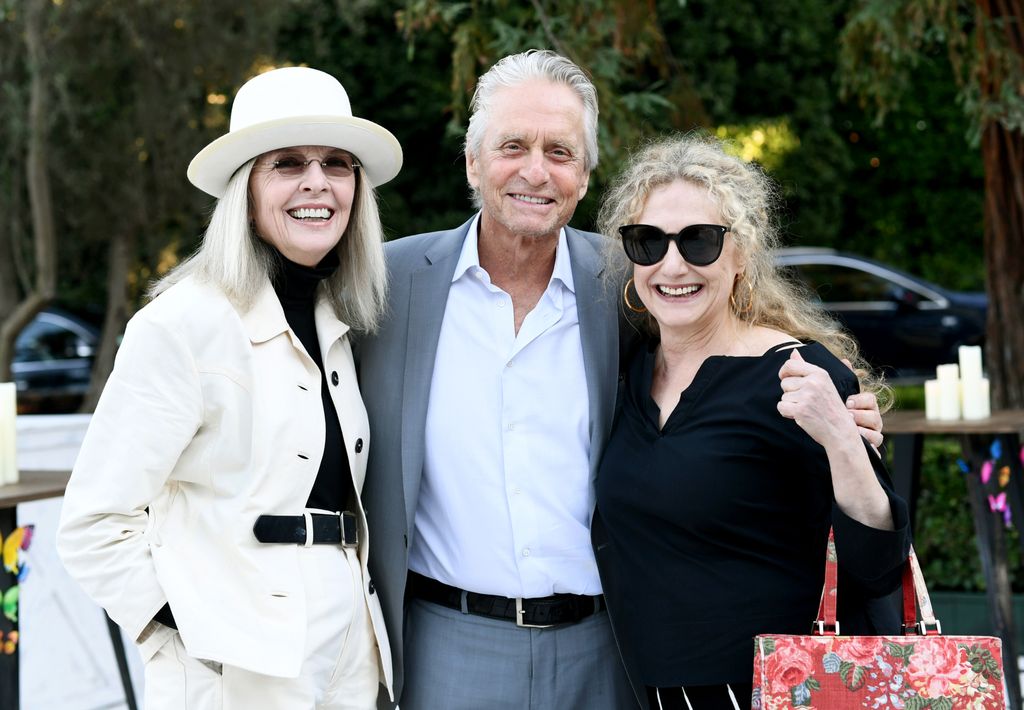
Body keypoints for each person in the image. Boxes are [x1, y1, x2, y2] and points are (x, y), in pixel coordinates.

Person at [357, 50, 886, 710]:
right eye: (512, 146)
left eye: (559, 151)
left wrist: (841, 427)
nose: (535, 170)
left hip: (610, 651)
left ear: (584, 175)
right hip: (447, 645)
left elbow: (723, 337)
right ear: (471, 162)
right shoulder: (389, 283)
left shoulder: (626, 281)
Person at [57, 66, 403, 710]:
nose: (317, 182)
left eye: (336, 163)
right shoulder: (183, 324)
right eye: (288, 163)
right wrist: (188, 630)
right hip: (234, 654)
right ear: (245, 190)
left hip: (347, 637)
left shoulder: (340, 322)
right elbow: (92, 524)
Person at [592, 134, 911, 709]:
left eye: (700, 241)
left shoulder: (797, 374)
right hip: (654, 691)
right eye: (648, 241)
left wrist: (841, 436)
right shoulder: (625, 373)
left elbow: (878, 568)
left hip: (779, 691)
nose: (673, 264)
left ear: (740, 254)